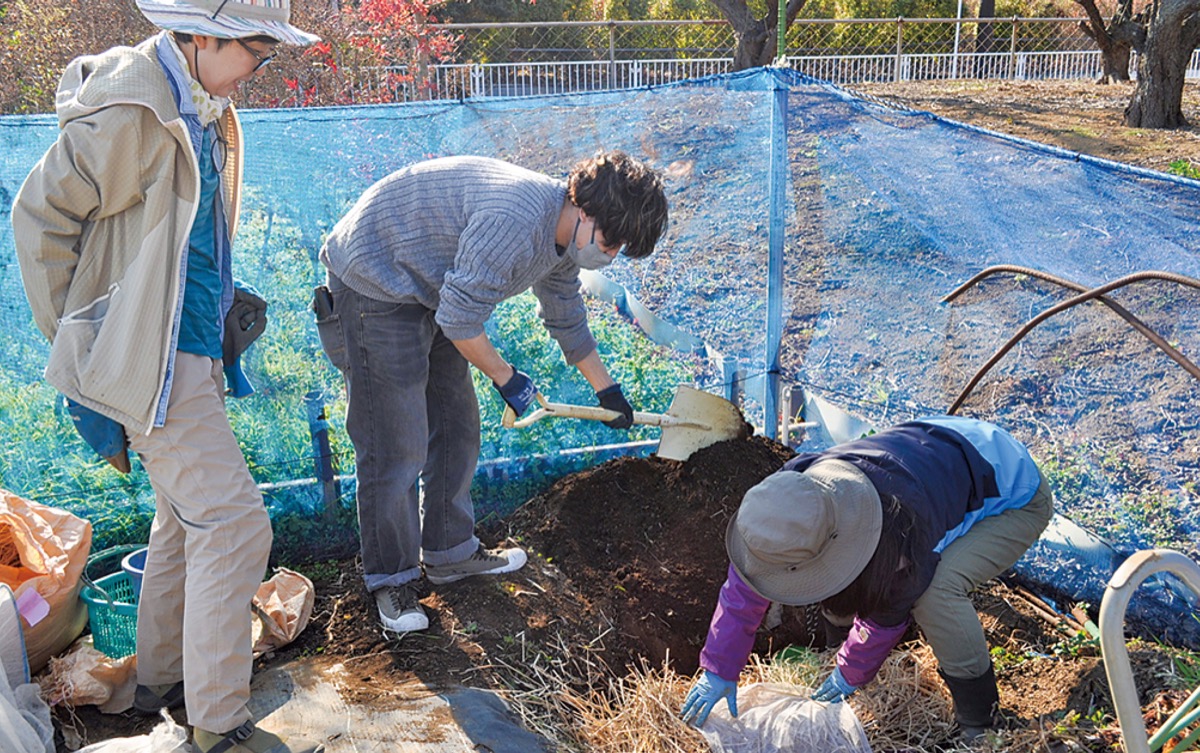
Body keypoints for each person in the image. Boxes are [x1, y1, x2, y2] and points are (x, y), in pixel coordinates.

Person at [11, 1, 323, 751]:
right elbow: (38, 218)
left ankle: (155, 679)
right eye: (257, 50)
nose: (260, 67)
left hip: (191, 350)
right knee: (236, 521)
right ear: (203, 35)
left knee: (186, 519)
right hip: (152, 360)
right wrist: (85, 343)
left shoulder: (203, 105)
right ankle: (217, 719)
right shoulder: (136, 112)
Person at [315, 151, 669, 633]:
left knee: (458, 421)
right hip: (376, 277)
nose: (610, 254)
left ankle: (448, 552)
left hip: (433, 286)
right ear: (584, 209)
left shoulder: (563, 239)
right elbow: (461, 319)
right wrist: (507, 377)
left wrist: (608, 391)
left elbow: (564, 312)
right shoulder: (517, 220)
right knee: (395, 442)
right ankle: (392, 581)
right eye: (610, 240)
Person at [681, 415, 1053, 740]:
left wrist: (851, 673)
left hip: (1011, 491)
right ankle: (836, 645)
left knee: (936, 592)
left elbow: (888, 610)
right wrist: (719, 667)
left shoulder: (900, 529)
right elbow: (745, 586)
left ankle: (980, 719)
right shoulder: (785, 498)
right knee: (845, 577)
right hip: (940, 444)